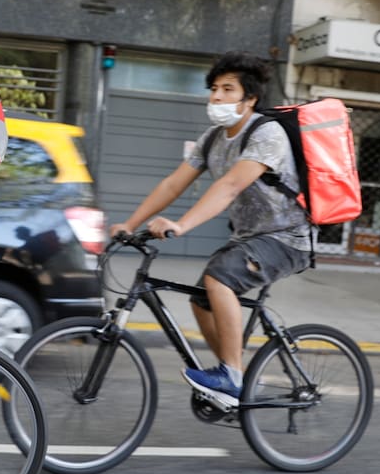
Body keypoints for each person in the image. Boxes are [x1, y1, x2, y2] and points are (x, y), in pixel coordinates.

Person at [109, 51, 312, 411]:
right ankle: (236, 381)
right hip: (249, 239)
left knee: (220, 279)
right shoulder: (213, 138)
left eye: (227, 90)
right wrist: (131, 223)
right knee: (202, 297)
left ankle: (231, 377)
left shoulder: (268, 134)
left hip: (287, 238)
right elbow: (173, 184)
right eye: (214, 89)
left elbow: (231, 185)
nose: (216, 97)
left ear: (250, 99)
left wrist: (181, 225)